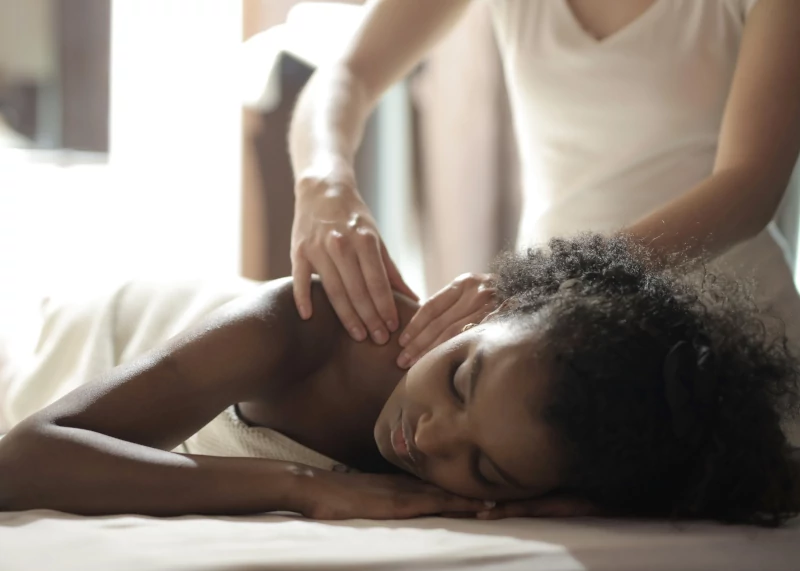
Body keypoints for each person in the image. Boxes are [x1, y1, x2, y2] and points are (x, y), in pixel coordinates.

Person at [0, 234, 798, 525]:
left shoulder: (558, 457)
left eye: (484, 467)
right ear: (491, 307)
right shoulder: (317, 326)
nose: (430, 436)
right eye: (461, 376)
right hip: (77, 349)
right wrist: (300, 488)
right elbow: (25, 459)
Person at [288, 0, 800, 370]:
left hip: (728, 343)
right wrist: (323, 183)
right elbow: (348, 73)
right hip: (552, 337)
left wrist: (541, 282)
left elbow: (750, 186)